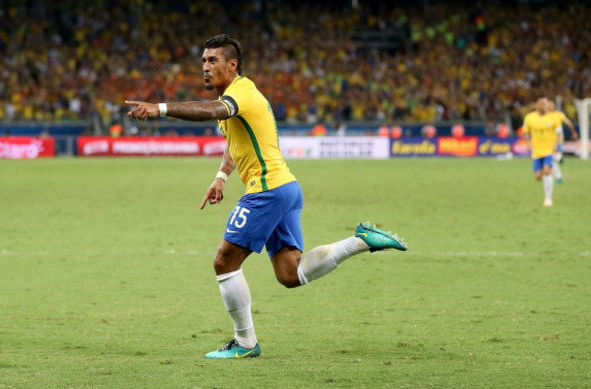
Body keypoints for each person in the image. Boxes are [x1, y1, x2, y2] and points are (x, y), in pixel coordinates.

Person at [125, 34, 408, 359]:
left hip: (267, 191)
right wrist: (221, 177)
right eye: (203, 61)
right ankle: (360, 241)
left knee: (224, 262)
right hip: (286, 188)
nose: (205, 67)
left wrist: (160, 108)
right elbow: (236, 143)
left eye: (212, 60)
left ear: (232, 65)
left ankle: (245, 343)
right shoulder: (236, 97)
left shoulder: (239, 93)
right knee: (290, 273)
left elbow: (211, 111)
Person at [522, 96, 563, 207]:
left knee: (546, 172)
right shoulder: (529, 118)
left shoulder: (553, 118)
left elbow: (559, 133)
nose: (546, 106)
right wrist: (527, 143)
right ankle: (552, 172)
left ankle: (548, 198)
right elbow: (526, 132)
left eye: (546, 104)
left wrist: (556, 144)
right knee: (538, 177)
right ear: (537, 106)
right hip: (536, 151)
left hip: (549, 150)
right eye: (543, 104)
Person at [546, 100, 579, 184]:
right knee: (552, 159)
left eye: (551, 105)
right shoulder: (544, 116)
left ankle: (558, 176)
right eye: (548, 105)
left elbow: (569, 124)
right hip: (547, 141)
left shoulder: (559, 115)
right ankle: (559, 159)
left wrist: (574, 133)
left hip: (558, 140)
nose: (549, 107)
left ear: (554, 106)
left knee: (552, 159)